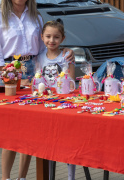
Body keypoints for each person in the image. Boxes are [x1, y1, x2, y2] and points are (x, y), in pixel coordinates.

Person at [0, 0, 74, 180]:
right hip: (8, 73)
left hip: (35, 73)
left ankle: (22, 177)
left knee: (30, 131)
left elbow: (45, 50)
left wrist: (64, 53)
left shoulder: (36, 16)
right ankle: (7, 178)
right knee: (11, 132)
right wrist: (15, 77)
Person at [36, 19, 76, 180]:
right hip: (46, 106)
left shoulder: (66, 56)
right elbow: (37, 80)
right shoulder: (39, 57)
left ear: (63, 39)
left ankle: (70, 176)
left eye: (56, 37)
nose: (51, 40)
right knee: (49, 144)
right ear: (42, 37)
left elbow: (72, 82)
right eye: (48, 36)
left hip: (63, 105)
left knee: (67, 143)